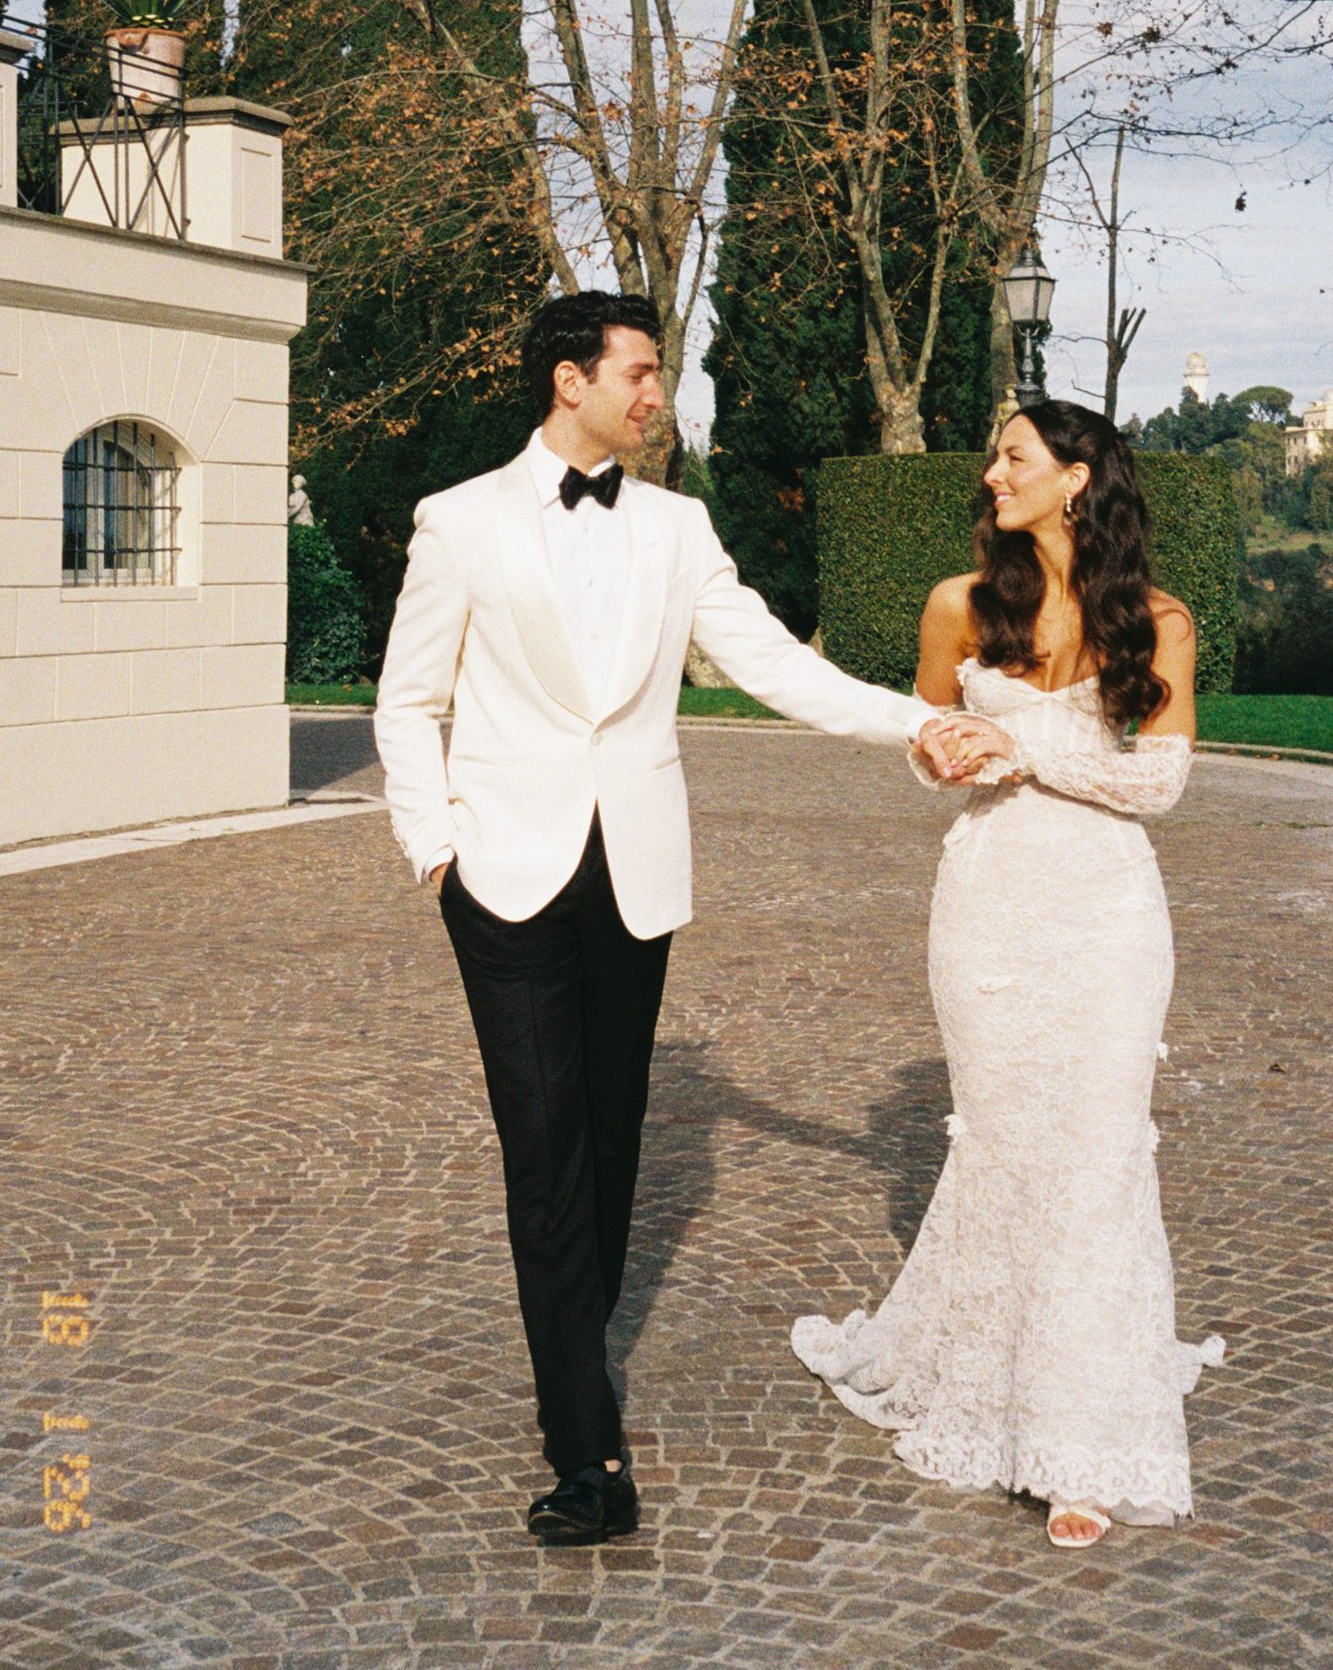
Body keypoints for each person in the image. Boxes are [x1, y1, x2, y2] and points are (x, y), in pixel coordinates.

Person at [374, 291, 983, 1545]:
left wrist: (917, 721)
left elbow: (774, 664)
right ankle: (585, 1447)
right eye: (641, 372)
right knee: (544, 1150)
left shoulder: (676, 525)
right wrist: (435, 849)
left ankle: (572, 1359)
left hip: (635, 875)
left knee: (610, 1141)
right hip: (504, 877)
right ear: (571, 379)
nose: (658, 394)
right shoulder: (460, 520)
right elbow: (406, 701)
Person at [791, 399, 1224, 1549]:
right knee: (1005, 1146)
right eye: (994, 456)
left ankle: (1082, 1437)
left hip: (1108, 917)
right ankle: (990, 1390)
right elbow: (927, 743)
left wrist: (1023, 745)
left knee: (1097, 1158)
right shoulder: (959, 605)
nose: (992, 473)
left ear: (1077, 477)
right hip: (988, 910)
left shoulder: (1160, 620)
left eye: (1014, 456)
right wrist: (949, 751)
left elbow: (1160, 782)